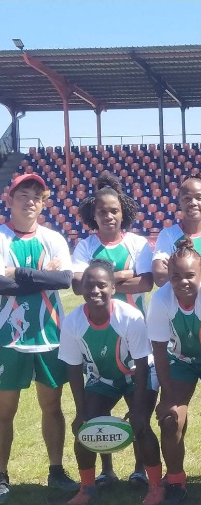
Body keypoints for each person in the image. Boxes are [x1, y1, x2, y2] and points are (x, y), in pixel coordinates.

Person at [0, 173, 78, 504]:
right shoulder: (1, 237)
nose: (29, 200)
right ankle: (2, 474)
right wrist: (41, 277)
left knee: (52, 406)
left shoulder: (54, 238)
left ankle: (56, 471)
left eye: (36, 196)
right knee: (5, 411)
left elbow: (63, 280)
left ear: (43, 204)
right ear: (9, 200)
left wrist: (18, 273)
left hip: (49, 334)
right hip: (8, 336)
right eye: (23, 194)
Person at [72, 171, 154, 488]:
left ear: (124, 213)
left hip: (133, 334)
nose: (108, 215)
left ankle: (139, 468)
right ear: (93, 214)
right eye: (102, 211)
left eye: (114, 210)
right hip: (99, 337)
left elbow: (147, 281)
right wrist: (125, 274)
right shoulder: (85, 246)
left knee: (139, 407)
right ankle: (105, 469)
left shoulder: (137, 243)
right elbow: (80, 286)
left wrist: (101, 279)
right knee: (99, 408)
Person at [59, 260, 162, 505]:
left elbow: (140, 362)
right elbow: (74, 369)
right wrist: (80, 412)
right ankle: (89, 487)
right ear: (81, 288)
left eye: (101, 285)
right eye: (89, 285)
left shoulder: (130, 317)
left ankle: (156, 486)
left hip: (138, 374)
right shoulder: (73, 322)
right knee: (87, 427)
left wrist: (137, 411)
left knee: (142, 425)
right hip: (103, 377)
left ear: (113, 289)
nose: (95, 290)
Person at [148, 239, 201, 505]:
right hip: (181, 361)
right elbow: (160, 351)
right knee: (170, 419)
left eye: (190, 275)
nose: (183, 282)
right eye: (176, 277)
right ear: (169, 277)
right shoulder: (161, 300)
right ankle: (175, 481)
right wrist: (168, 395)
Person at [152, 174, 201, 291]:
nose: (193, 203)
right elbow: (159, 277)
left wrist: (176, 272)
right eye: (187, 198)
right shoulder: (167, 234)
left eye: (199, 198)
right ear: (180, 202)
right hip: (174, 308)